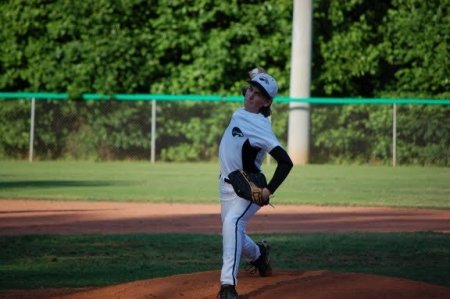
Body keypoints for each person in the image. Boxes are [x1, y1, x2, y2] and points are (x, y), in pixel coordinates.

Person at [217, 68, 293, 298]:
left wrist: (269, 190)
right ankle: (259, 254)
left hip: (247, 188)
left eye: (258, 94)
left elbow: (286, 162)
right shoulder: (251, 111)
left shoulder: (261, 126)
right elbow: (258, 84)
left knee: (232, 222)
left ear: (267, 102)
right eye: (250, 89)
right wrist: (257, 73)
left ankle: (227, 286)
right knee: (232, 231)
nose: (250, 95)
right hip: (225, 184)